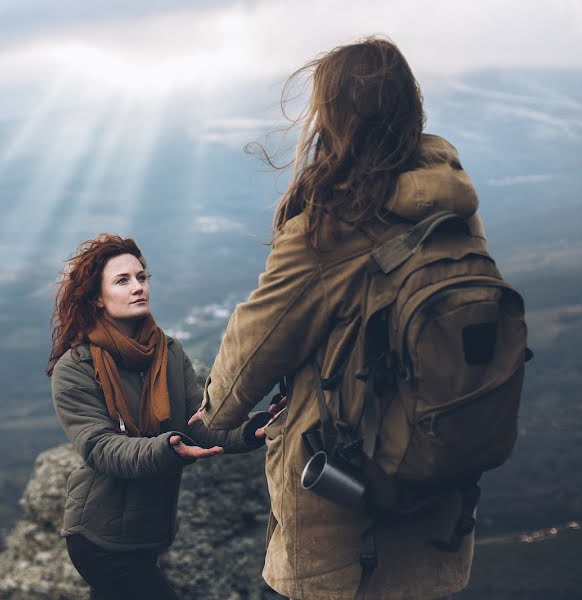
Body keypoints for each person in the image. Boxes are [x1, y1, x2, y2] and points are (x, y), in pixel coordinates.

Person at [196, 37, 483, 599]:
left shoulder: (328, 226)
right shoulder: (453, 209)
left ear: (334, 117)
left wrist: (207, 421)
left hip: (346, 510)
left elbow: (256, 343)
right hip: (440, 485)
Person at [48, 234, 269, 600]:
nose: (138, 287)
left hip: (147, 535)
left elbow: (201, 426)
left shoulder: (167, 351)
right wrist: (168, 448)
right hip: (100, 538)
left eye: (141, 276)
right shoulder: (76, 367)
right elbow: (100, 448)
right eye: (122, 280)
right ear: (97, 299)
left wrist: (254, 430)